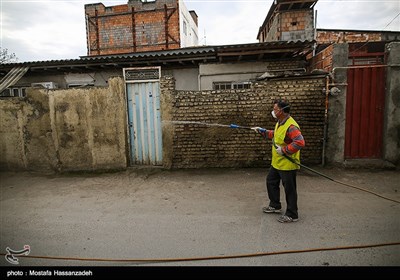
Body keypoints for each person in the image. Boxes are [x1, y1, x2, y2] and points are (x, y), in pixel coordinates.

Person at [252, 99, 305, 223]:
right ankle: (275, 205)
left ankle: (292, 214)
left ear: (281, 111)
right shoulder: (280, 122)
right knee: (271, 181)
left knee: (289, 189)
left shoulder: (291, 126)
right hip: (277, 163)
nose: (273, 111)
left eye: (275, 109)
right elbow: (276, 135)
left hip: (287, 164)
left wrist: (285, 150)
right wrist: (262, 131)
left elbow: (300, 142)